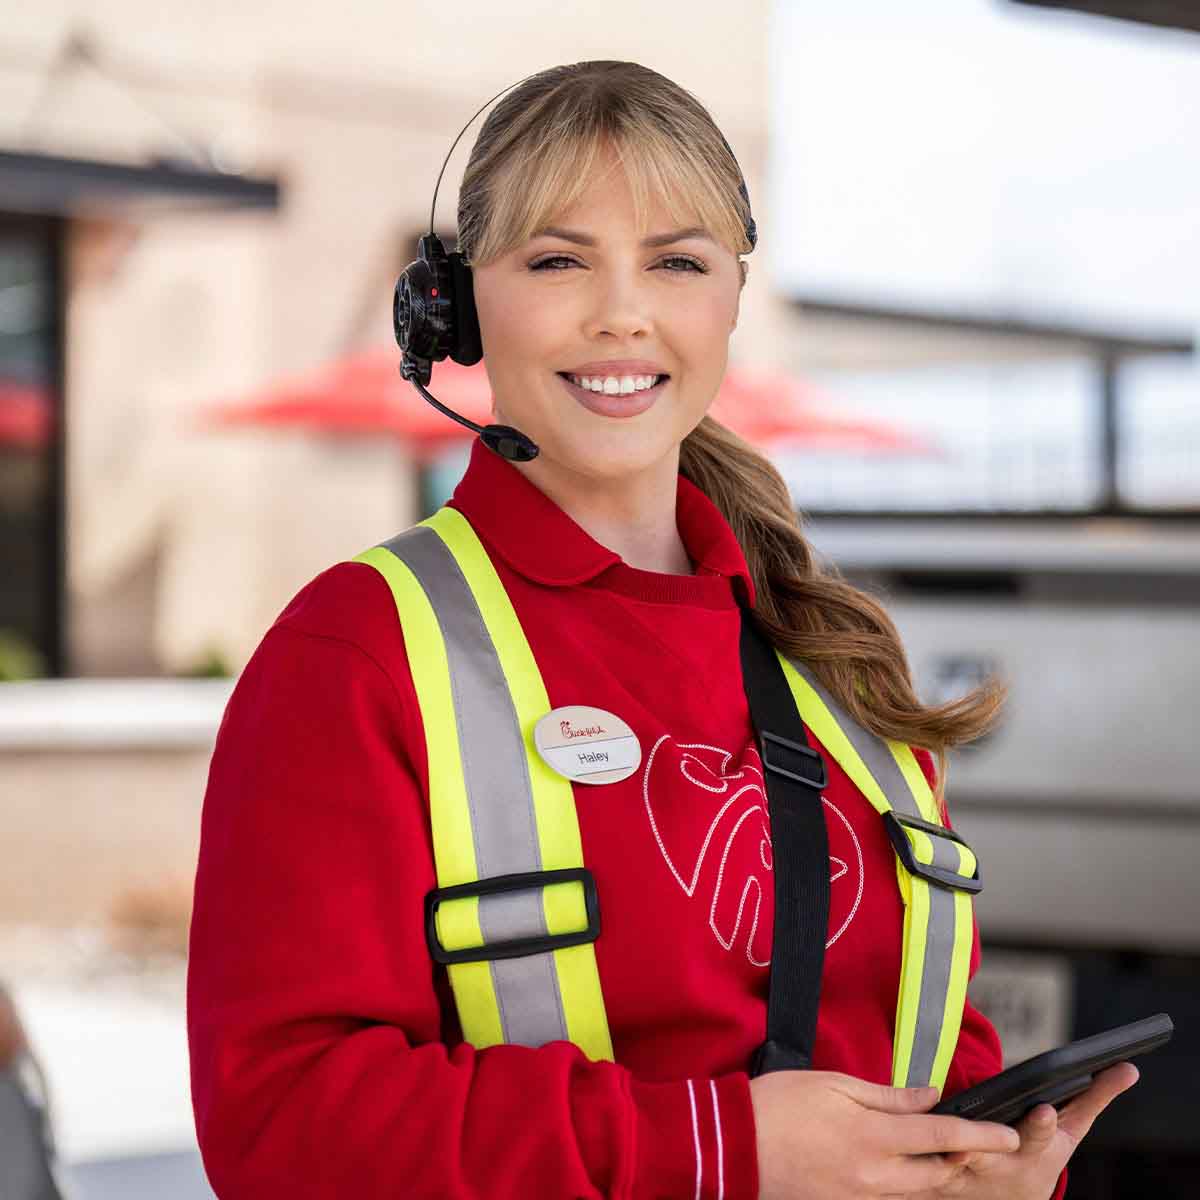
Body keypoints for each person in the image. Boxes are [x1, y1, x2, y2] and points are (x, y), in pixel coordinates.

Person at [186, 60, 1137, 1199]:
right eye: (555, 260)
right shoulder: (356, 653)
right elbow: (281, 1126)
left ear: (731, 300)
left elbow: (924, 1037)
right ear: (456, 304)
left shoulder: (835, 653)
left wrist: (984, 1168)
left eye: (677, 262)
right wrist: (720, 1149)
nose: (621, 311)